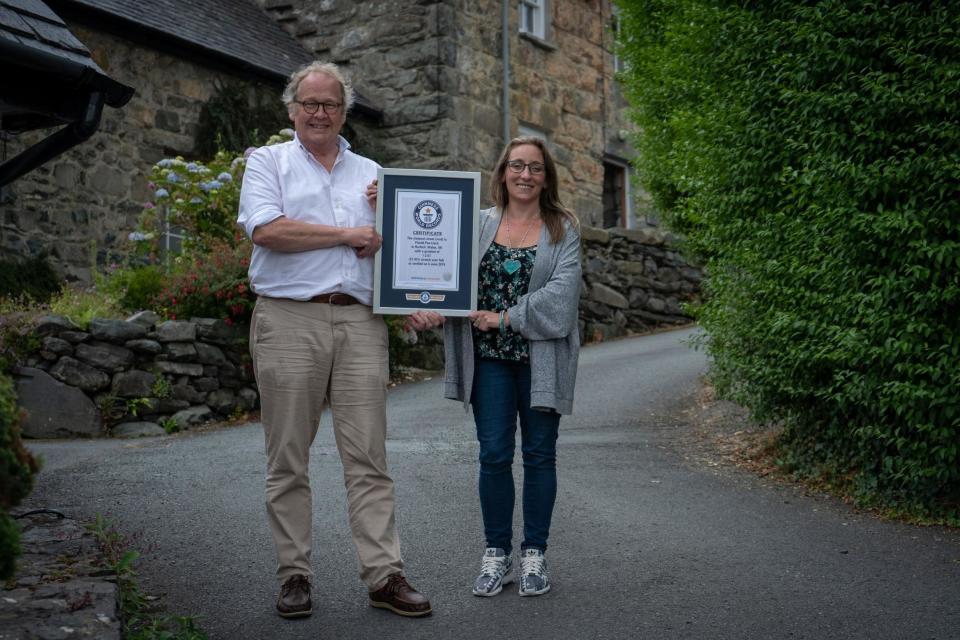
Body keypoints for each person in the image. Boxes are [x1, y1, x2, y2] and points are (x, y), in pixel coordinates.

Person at [237, 61, 431, 619]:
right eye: (309, 103)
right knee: (288, 458)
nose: (319, 113)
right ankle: (294, 574)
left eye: (331, 105)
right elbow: (267, 230)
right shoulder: (267, 163)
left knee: (369, 456)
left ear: (345, 112)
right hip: (288, 319)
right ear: (292, 107)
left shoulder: (371, 172)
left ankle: (384, 575)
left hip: (359, 323)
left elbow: (398, 246)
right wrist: (350, 233)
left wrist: (414, 297)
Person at [406, 136, 582, 597]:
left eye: (536, 168)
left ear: (547, 178)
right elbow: (446, 278)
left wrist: (505, 318)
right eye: (517, 166)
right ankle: (497, 554)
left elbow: (562, 301)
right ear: (502, 172)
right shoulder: (475, 224)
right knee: (494, 456)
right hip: (489, 363)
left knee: (540, 456)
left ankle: (534, 556)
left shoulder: (563, 229)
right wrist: (428, 306)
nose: (526, 175)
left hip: (542, 361)